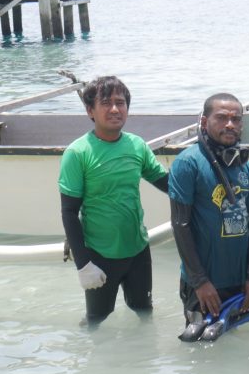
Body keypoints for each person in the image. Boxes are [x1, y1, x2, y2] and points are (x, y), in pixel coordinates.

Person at [58, 76, 169, 326]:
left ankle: (144, 362)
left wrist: (202, 184)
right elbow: (69, 212)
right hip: (99, 255)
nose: (115, 109)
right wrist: (83, 264)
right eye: (106, 103)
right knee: (96, 320)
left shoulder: (137, 145)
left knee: (144, 313)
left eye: (121, 102)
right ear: (90, 111)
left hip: (138, 250)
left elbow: (167, 184)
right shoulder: (77, 153)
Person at [168, 93, 249, 338]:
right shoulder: (187, 163)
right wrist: (199, 282)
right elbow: (181, 225)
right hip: (203, 285)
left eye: (236, 119)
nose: (230, 124)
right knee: (202, 350)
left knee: (238, 348)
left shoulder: (246, 166)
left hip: (240, 282)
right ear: (204, 122)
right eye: (221, 118)